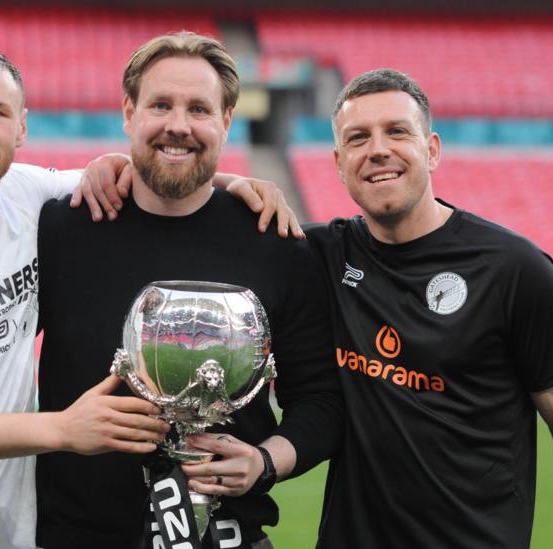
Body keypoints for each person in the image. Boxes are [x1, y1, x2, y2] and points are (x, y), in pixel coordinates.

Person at [0, 44, 297, 548]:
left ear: (21, 127)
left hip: (4, 533)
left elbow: (156, 174)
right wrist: (65, 429)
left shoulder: (28, 196)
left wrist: (236, 183)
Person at [34, 32, 342, 549]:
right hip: (76, 537)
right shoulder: (59, 231)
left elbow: (321, 401)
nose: (178, 124)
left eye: (199, 108)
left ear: (226, 121)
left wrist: (264, 461)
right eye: (160, 105)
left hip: (230, 537)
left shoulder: (277, 242)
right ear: (129, 113)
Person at [302, 68, 553, 548]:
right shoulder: (322, 255)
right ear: (339, 163)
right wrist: (242, 184)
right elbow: (214, 214)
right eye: (358, 137)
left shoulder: (512, 268)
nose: (377, 149)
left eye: (397, 131)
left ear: (432, 150)